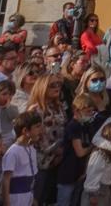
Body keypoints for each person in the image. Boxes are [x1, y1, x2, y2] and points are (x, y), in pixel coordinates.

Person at [26, 75, 66, 205]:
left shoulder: (59, 107)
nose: (57, 88)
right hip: (40, 162)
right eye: (52, 85)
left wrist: (61, 152)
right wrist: (54, 152)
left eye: (58, 84)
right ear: (42, 87)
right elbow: (34, 137)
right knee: (37, 198)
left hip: (58, 160)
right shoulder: (35, 110)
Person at [57, 96, 94, 206]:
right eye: (88, 111)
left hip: (78, 173)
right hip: (68, 174)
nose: (90, 114)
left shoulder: (85, 125)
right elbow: (80, 152)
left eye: (92, 111)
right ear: (77, 110)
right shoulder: (73, 126)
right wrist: (92, 147)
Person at [2, 112, 43, 206]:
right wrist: (7, 203)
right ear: (25, 131)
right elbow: (6, 180)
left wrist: (32, 198)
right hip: (16, 199)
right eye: (37, 127)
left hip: (27, 197)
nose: (41, 130)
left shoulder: (31, 149)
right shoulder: (13, 152)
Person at [83, 118, 111, 206]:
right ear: (109, 136)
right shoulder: (100, 153)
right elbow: (93, 172)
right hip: (96, 191)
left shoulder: (109, 152)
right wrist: (92, 194)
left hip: (104, 189)